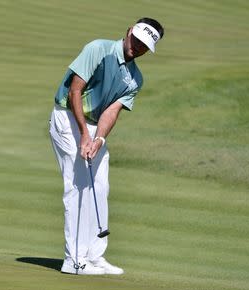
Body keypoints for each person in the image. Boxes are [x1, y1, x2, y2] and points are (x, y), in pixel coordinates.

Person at [49, 18, 164, 275]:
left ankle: (95, 255)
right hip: (68, 118)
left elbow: (111, 112)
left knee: (100, 186)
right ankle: (75, 261)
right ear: (128, 32)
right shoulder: (98, 49)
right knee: (79, 185)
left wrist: (98, 139)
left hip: (93, 126)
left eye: (144, 45)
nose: (137, 47)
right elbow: (74, 92)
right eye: (136, 40)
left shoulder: (135, 79)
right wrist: (83, 135)